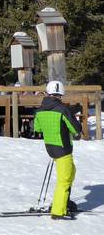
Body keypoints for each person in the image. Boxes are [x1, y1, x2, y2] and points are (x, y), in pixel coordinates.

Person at [34, 81, 82, 220]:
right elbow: (75, 129)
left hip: (50, 148)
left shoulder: (40, 110)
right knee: (64, 179)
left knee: (71, 171)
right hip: (63, 149)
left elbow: (37, 128)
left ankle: (64, 200)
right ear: (61, 94)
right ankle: (58, 211)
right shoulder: (63, 109)